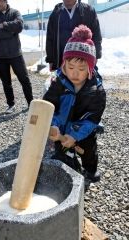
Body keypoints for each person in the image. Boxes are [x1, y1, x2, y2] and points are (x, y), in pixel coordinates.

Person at [43, 25, 106, 182]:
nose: (74, 73)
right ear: (63, 65)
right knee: (62, 151)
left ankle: (90, 170)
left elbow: (92, 118)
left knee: (88, 153)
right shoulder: (58, 83)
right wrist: (54, 125)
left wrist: (75, 135)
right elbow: (48, 106)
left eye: (81, 68)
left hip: (84, 132)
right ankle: (68, 163)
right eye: (70, 67)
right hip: (62, 129)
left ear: (90, 69)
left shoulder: (96, 91)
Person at [0, 0, 33, 114]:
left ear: (5, 1)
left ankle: (31, 103)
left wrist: (4, 25)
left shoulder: (15, 13)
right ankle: (10, 104)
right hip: (0, 55)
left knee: (24, 79)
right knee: (6, 82)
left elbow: (20, 26)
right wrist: (12, 32)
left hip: (16, 54)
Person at [46, 0, 102, 71]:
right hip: (61, 62)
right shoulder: (56, 14)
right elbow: (50, 38)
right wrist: (50, 60)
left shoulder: (89, 11)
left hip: (83, 63)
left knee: (83, 81)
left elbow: (97, 36)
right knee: (61, 81)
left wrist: (96, 56)